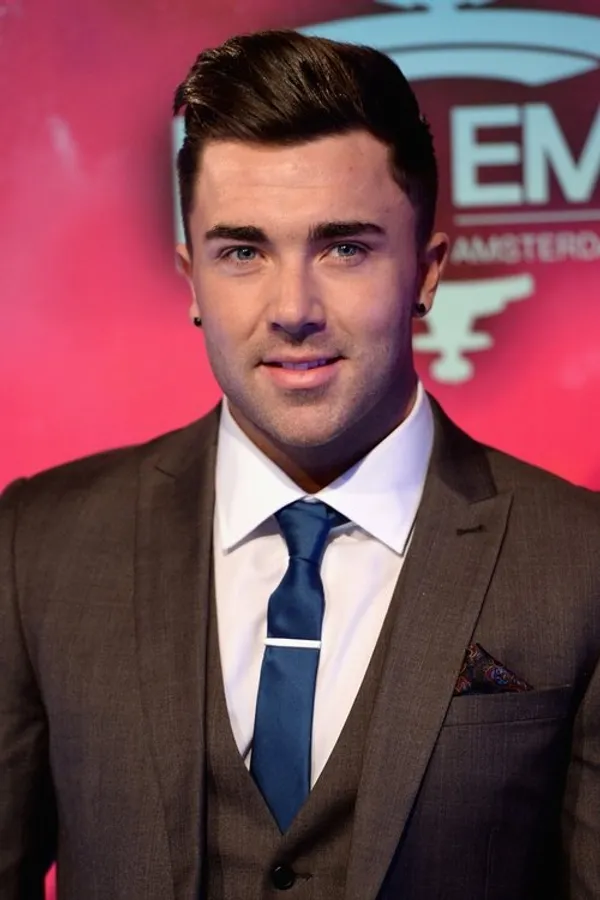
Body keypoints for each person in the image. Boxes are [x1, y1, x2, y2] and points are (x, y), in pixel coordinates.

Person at [0, 29, 599, 900]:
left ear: (427, 271)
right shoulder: (38, 547)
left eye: (344, 247)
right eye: (242, 252)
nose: (293, 308)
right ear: (191, 279)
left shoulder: (580, 562)